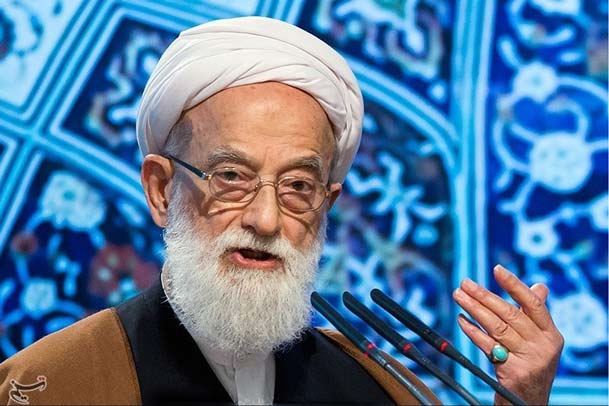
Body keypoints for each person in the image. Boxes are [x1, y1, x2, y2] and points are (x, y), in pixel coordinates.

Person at [0, 16, 563, 405]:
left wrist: (521, 399)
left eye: (297, 186)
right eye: (231, 177)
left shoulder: (377, 387)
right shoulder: (52, 385)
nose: (266, 220)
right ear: (161, 190)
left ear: (327, 205)